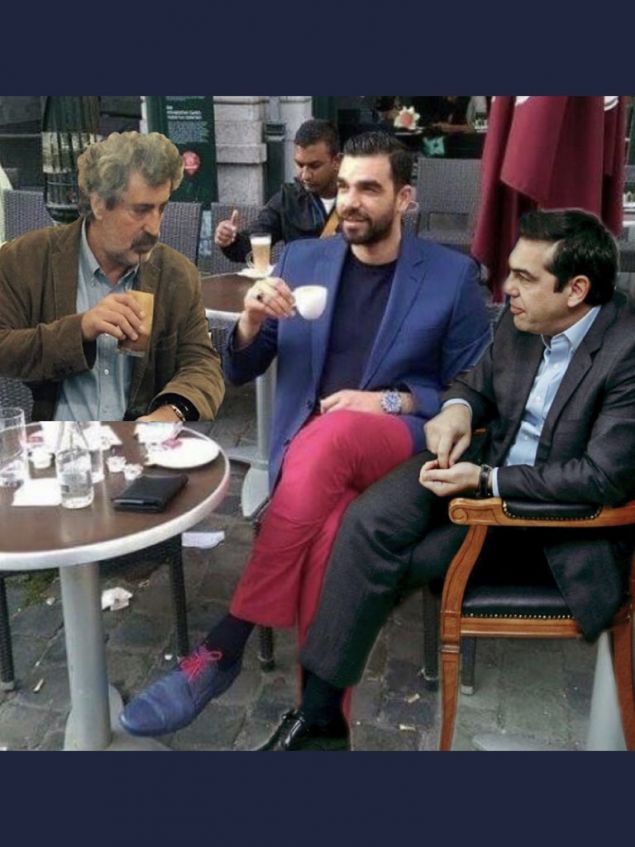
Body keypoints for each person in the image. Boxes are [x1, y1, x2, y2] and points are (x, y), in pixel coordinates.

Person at [119, 131, 491, 740]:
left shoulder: (451, 277)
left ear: (404, 199)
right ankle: (320, 726)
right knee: (331, 534)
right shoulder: (299, 260)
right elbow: (241, 367)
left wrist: (389, 401)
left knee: (336, 431)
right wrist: (250, 319)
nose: (351, 201)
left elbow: (476, 387)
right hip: (311, 466)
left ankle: (226, 642)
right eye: (344, 187)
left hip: (400, 446)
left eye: (369, 188)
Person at [257, 208, 635, 751]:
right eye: (510, 272)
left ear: (576, 289)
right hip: (476, 466)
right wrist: (456, 411)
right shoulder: (525, 318)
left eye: (524, 277)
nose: (507, 290)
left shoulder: (626, 350)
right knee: (364, 524)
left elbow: (601, 478)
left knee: (387, 563)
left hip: (545, 522)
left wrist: (487, 480)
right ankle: (322, 722)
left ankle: (317, 722)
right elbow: (472, 383)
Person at [0, 131, 224, 421]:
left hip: (140, 443)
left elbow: (202, 363)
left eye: (162, 208)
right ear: (99, 204)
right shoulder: (27, 258)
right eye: (141, 210)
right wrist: (80, 329)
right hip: (59, 442)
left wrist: (172, 411)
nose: (154, 228)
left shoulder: (176, 274)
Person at [214, 119, 342, 264]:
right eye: (300, 165)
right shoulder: (287, 200)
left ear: (337, 161)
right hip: (298, 278)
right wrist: (230, 240)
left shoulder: (357, 199)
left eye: (314, 166)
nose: (305, 175)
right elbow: (249, 245)